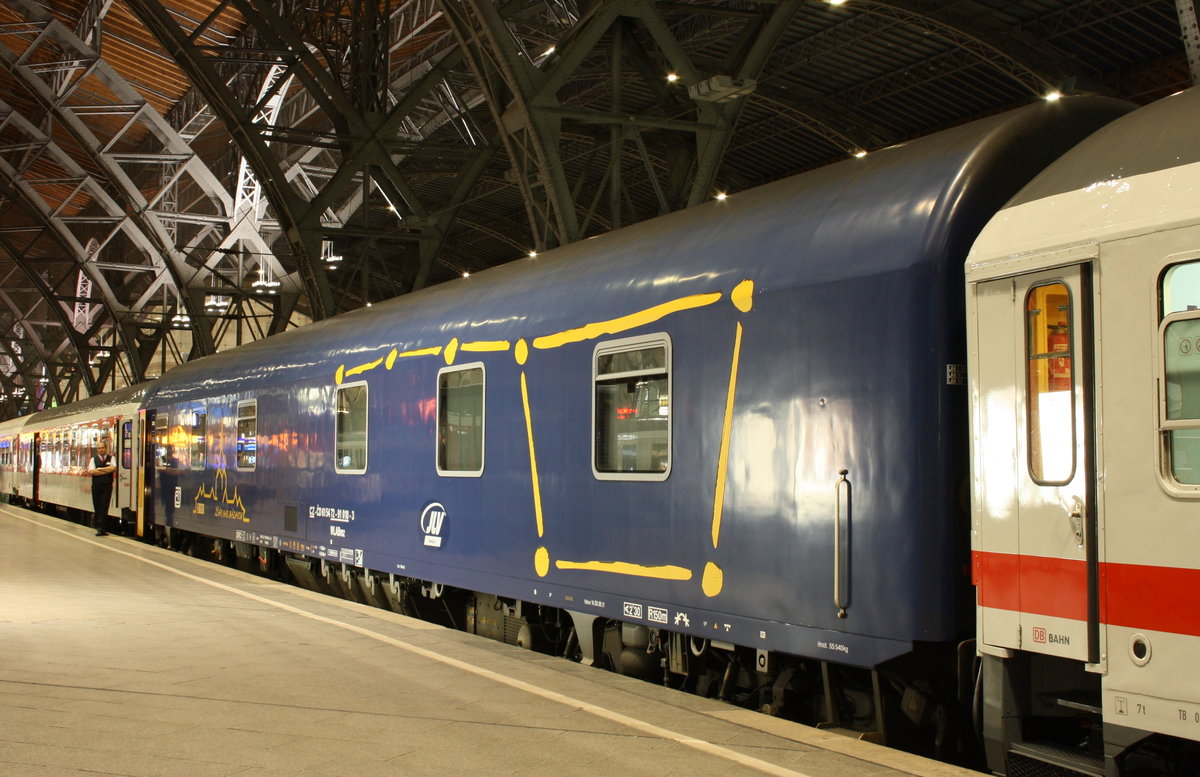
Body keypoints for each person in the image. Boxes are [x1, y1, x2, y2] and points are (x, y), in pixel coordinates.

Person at [89, 438, 116, 536]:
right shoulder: (93, 459)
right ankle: (99, 527)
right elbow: (92, 471)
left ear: (106, 448)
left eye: (103, 448)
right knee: (97, 506)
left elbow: (113, 468)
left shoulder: (111, 458)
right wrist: (106, 470)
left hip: (107, 485)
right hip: (96, 486)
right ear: (97, 450)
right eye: (99, 448)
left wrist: (99, 469)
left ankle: (101, 528)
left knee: (104, 506)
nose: (101, 449)